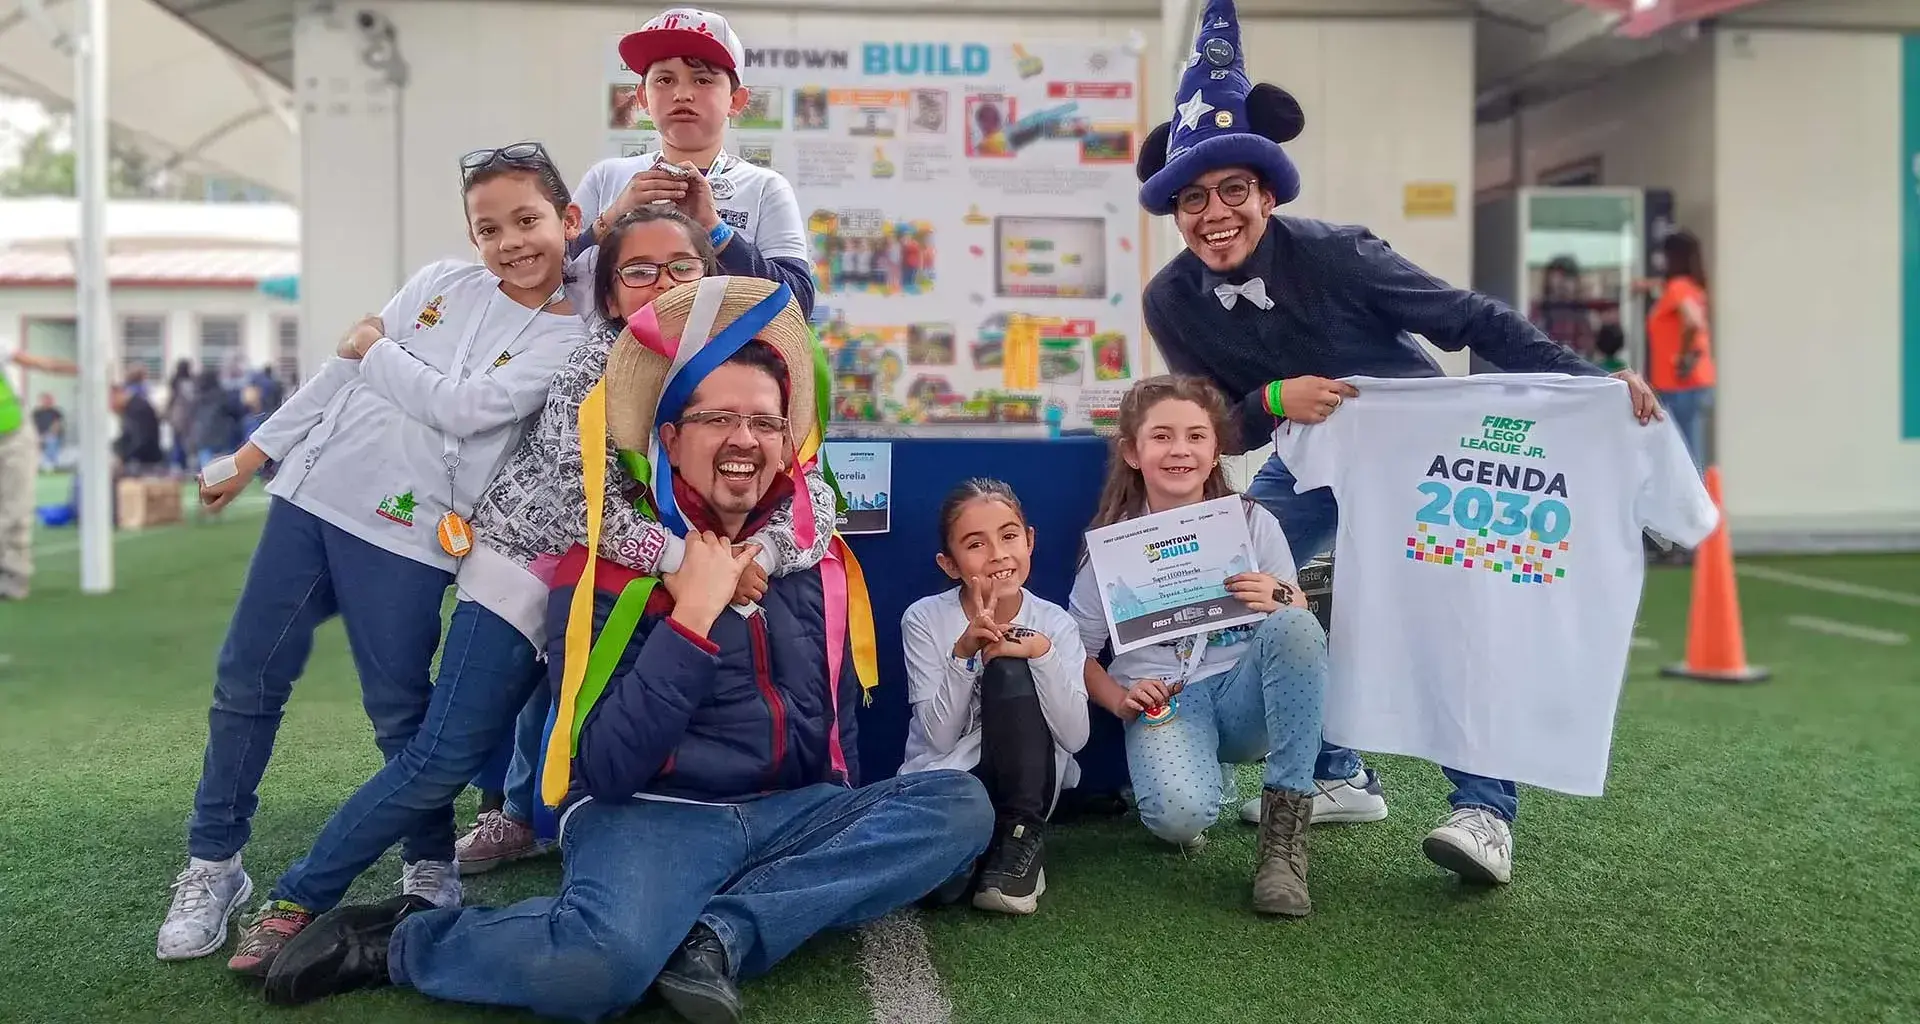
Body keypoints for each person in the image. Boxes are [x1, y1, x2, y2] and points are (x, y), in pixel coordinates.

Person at [262, 277, 993, 1023]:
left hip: (788, 810)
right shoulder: (604, 570)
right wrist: (695, 615)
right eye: (718, 418)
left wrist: (840, 834)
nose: (745, 439)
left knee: (959, 806)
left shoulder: (808, 561)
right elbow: (608, 768)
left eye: (765, 423)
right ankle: (399, 941)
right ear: (670, 439)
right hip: (652, 814)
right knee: (597, 968)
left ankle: (713, 936)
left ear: (785, 443)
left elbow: (831, 713)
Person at [221, 210, 843, 977]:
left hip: (629, 595)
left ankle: (620, 879)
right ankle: (297, 900)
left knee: (610, 751)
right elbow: (563, 505)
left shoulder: (732, 361)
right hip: (527, 575)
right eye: (637, 270)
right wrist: (683, 557)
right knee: (442, 758)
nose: (661, 283)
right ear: (610, 295)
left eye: (681, 267)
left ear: (708, 275)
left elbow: (817, 497)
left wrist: (752, 553)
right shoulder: (599, 360)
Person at [1134, 0, 1662, 884]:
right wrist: (1274, 397)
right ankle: (1333, 772)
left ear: (1266, 191)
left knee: (1447, 609)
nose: (1214, 213)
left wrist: (1585, 381)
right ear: (1176, 212)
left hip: (1422, 459)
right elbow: (1214, 417)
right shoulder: (1169, 299)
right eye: (1193, 198)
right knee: (1235, 579)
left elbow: (1465, 318)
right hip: (1304, 462)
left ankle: (1485, 812)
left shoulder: (1340, 253)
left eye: (1233, 190)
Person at [155, 141, 588, 962]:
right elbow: (338, 375)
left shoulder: (571, 339)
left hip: (412, 534)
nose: (511, 242)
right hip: (311, 501)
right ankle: (214, 864)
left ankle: (427, 865)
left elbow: (462, 410)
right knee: (247, 679)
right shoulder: (438, 283)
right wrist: (254, 455)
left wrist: (373, 348)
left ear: (567, 221)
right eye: (488, 228)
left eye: (527, 219)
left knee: (399, 711)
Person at [1068, 375, 1328, 918]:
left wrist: (1279, 594)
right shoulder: (1112, 545)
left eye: (1195, 436)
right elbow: (1078, 652)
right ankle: (1197, 776)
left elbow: (1295, 615)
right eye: (1161, 436)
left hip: (1242, 693)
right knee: (1178, 820)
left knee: (1299, 627)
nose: (1179, 450)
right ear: (1133, 453)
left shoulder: (1254, 522)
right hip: (1170, 700)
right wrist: (1118, 699)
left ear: (1216, 451)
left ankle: (1283, 845)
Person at [900, 478, 1089, 916]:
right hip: (950, 781)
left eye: (1008, 536)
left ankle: (1019, 839)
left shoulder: (1055, 623)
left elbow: (1076, 737)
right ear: (950, 564)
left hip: (1025, 787)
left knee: (1009, 664)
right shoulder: (924, 619)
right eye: (975, 544)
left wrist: (1041, 654)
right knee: (941, 891)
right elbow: (940, 740)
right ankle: (973, 852)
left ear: (1030, 540)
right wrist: (964, 656)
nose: (998, 554)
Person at [564, 8, 814, 317]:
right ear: (642, 97)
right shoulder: (606, 178)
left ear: (736, 101)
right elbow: (550, 279)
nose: (682, 94)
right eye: (665, 80)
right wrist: (611, 219)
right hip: (614, 361)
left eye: (703, 80)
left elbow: (799, 301)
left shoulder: (765, 188)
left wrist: (716, 230)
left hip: (724, 362)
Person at [0, 347, 76, 600]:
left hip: (14, 437)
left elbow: (41, 362)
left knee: (16, 511)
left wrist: (84, 367)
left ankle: (14, 581)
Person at [1645, 228, 1715, 473]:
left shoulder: (1677, 287)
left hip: (1680, 383)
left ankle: (1696, 510)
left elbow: (1693, 322)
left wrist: (1683, 357)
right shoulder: (1691, 286)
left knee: (1686, 456)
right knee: (1690, 450)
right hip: (1695, 381)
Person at [32, 393, 64, 471]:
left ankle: (51, 463)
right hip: (38, 435)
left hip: (51, 435)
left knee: (51, 439)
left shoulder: (56, 412)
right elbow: (32, 426)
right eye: (45, 400)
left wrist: (47, 435)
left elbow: (56, 426)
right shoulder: (36, 412)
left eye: (49, 400)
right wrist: (37, 436)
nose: (47, 402)